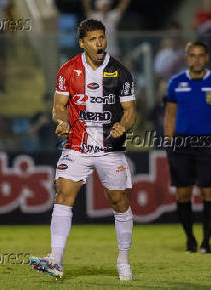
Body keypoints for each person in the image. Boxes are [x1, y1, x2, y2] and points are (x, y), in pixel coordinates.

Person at [28, 19, 136, 280]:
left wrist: (123, 125)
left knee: (119, 202)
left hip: (110, 148)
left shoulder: (120, 72)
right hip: (77, 145)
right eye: (93, 39)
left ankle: (123, 260)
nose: (99, 43)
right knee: (63, 192)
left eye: (102, 37)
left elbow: (130, 111)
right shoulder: (67, 70)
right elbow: (58, 106)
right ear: (82, 43)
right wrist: (61, 121)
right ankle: (55, 259)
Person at [164, 41, 211, 253]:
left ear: (206, 58)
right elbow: (170, 114)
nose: (196, 59)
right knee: (183, 194)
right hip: (181, 144)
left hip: (208, 143)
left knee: (208, 193)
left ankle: (206, 242)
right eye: (192, 55)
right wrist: (169, 140)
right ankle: (190, 240)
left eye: (200, 55)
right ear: (187, 57)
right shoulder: (175, 83)